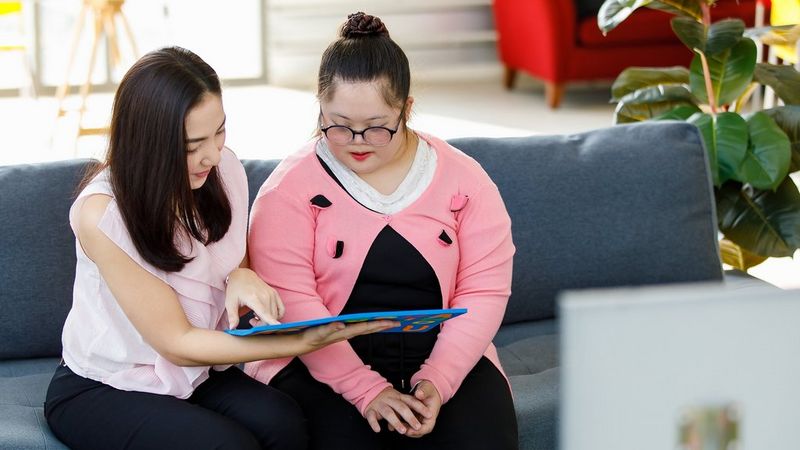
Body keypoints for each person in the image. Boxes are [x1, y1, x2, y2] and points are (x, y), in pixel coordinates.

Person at [44, 46, 396, 450]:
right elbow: (177, 343)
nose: (211, 154)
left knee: (283, 422)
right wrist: (301, 341)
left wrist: (242, 276)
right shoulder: (102, 214)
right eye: (192, 145)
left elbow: (231, 269)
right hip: (105, 386)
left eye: (219, 131)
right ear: (147, 143)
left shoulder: (222, 171)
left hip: (197, 374)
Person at [245, 12, 519, 450]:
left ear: (406, 109)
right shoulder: (288, 190)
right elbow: (293, 303)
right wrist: (364, 388)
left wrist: (438, 381)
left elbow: (484, 292)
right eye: (337, 124)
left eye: (376, 126)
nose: (356, 140)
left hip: (443, 351)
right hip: (317, 361)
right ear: (319, 107)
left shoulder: (465, 180)